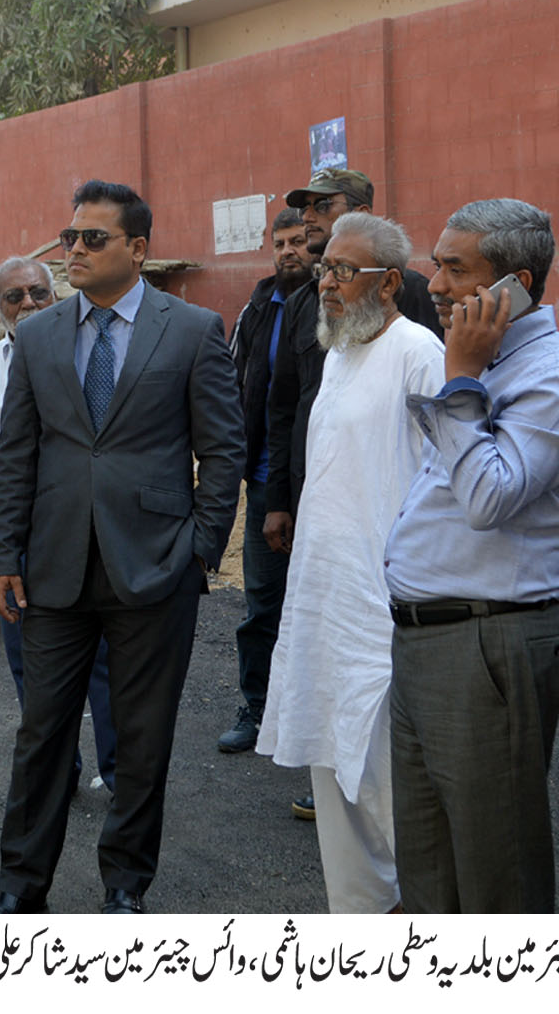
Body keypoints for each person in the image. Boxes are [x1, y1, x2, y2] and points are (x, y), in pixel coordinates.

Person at [0, 181, 243, 915]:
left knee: (142, 737)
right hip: (53, 567)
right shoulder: (36, 336)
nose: (75, 251)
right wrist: (3, 554)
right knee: (42, 735)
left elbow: (223, 451)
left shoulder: (192, 330)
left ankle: (125, 886)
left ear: (138, 248)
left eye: (92, 239)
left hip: (157, 565)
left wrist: (200, 549)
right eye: (69, 237)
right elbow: (17, 456)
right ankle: (18, 888)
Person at [383, 198, 559, 913]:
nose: (434, 286)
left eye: (454, 269)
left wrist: (463, 380)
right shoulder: (485, 366)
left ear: (517, 286)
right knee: (429, 875)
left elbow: (488, 499)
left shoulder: (553, 376)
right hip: (427, 643)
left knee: (497, 879)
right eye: (435, 265)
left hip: (487, 646)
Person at [257, 213, 443, 913]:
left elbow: (441, 478)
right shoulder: (336, 351)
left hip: (382, 602)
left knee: (390, 783)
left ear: (389, 282)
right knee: (333, 772)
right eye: (323, 270)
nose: (325, 283)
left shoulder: (420, 351)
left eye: (341, 271)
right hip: (323, 598)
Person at [0, 256, 117, 794]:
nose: (27, 305)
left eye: (38, 294)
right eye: (14, 298)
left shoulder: (88, 354)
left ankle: (119, 775)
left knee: (100, 663)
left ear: (58, 297)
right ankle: (55, 774)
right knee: (28, 661)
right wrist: (5, 496)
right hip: (13, 537)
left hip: (80, 528)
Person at [221, 208, 317, 755]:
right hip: (263, 482)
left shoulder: (332, 306)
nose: (289, 252)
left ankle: (308, 715)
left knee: (319, 602)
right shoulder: (258, 308)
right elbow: (236, 388)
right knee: (262, 601)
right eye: (280, 242)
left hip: (320, 485)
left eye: (299, 241)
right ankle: (256, 706)